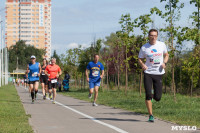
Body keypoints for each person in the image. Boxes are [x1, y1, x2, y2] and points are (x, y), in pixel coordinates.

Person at [138, 29, 169, 122]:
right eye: (151, 35)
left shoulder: (161, 45)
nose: (153, 37)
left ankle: (152, 95)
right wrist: (143, 65)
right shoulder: (144, 47)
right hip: (148, 73)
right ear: (148, 36)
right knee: (148, 94)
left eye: (155, 35)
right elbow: (139, 59)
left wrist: (164, 63)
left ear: (157, 36)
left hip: (158, 73)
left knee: (158, 97)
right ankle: (151, 115)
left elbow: (166, 55)